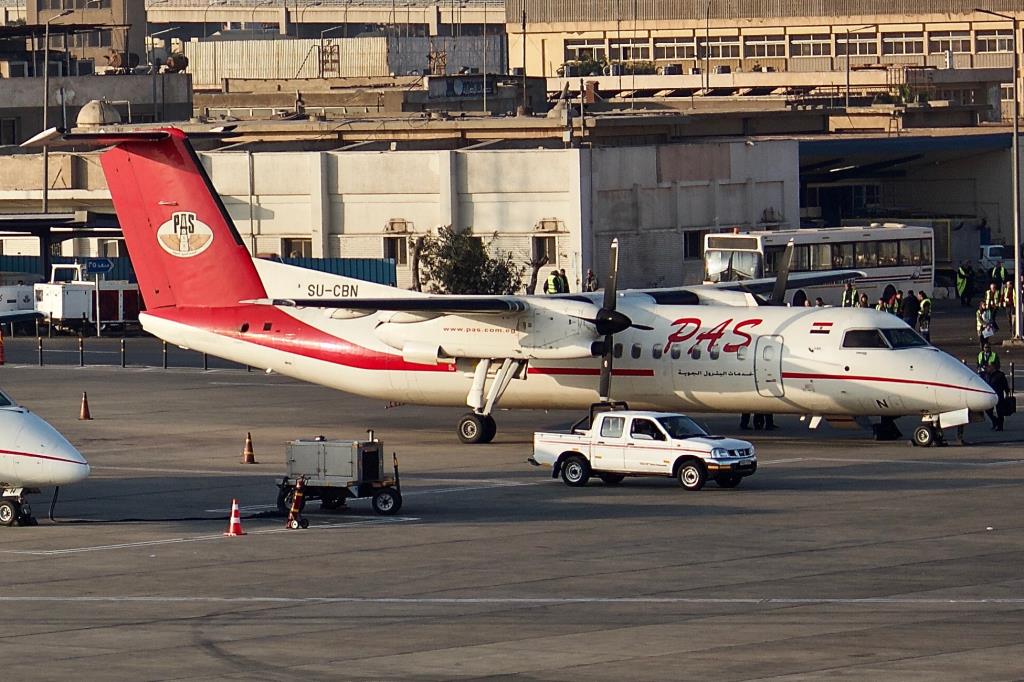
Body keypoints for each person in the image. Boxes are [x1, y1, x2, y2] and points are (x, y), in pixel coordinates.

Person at [983, 363, 1009, 431]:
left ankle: (1000, 426)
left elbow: (1005, 384)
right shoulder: (986, 375)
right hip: (990, 395)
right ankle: (995, 421)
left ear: (993, 367)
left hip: (998, 395)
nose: (986, 368)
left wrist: (1007, 393)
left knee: (999, 411)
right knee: (988, 410)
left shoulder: (1000, 375)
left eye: (988, 367)